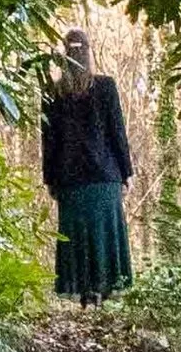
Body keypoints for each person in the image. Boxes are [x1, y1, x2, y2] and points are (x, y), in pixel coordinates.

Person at [40, 28, 134, 304]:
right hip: (105, 177)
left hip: (70, 181)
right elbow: (118, 132)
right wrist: (126, 173)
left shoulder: (53, 92)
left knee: (78, 237)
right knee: (104, 234)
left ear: (65, 54)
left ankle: (83, 292)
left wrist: (51, 180)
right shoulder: (106, 87)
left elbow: (49, 141)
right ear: (89, 51)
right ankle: (104, 290)